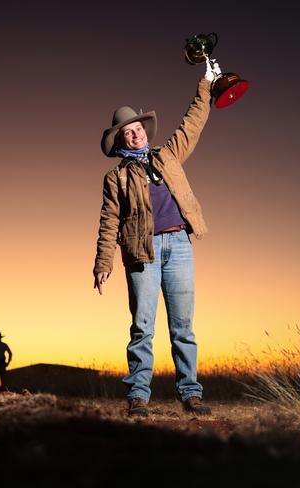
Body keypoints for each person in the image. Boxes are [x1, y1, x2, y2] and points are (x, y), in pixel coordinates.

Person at [93, 60, 222, 417]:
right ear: (120, 140)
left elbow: (193, 123)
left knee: (183, 327)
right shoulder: (115, 178)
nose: (134, 134)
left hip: (179, 245)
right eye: (127, 133)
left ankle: (190, 394)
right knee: (142, 327)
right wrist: (103, 263)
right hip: (141, 254)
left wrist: (206, 84)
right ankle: (138, 396)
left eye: (137, 128)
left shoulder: (168, 156)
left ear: (144, 130)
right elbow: (108, 221)